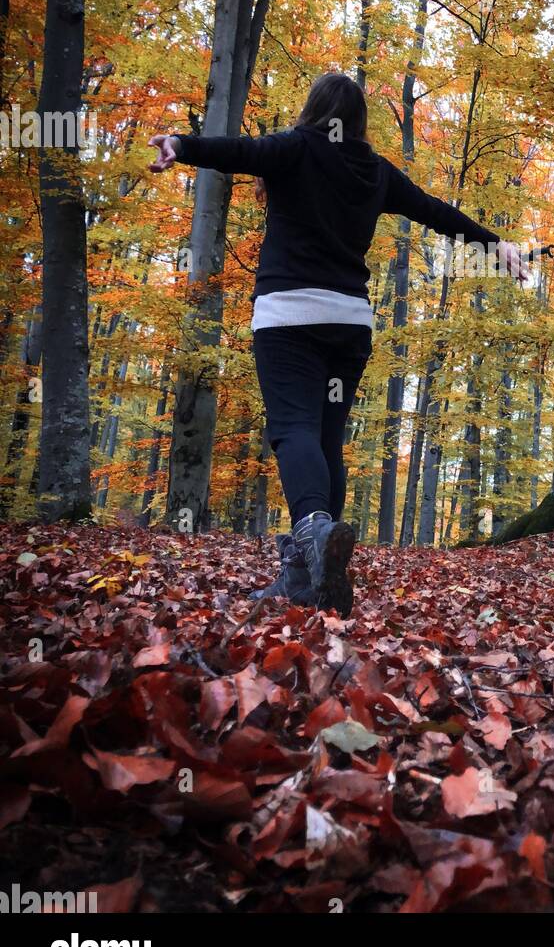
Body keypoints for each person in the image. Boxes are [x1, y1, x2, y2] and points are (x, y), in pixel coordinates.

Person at [149, 71, 527, 615]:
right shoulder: (373, 171)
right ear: (359, 122)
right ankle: (307, 575)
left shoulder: (294, 148)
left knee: (293, 429)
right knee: (326, 438)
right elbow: (434, 210)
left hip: (289, 317)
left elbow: (236, 151)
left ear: (312, 110)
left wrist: (179, 145)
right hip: (349, 324)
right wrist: (496, 245)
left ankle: (313, 529)